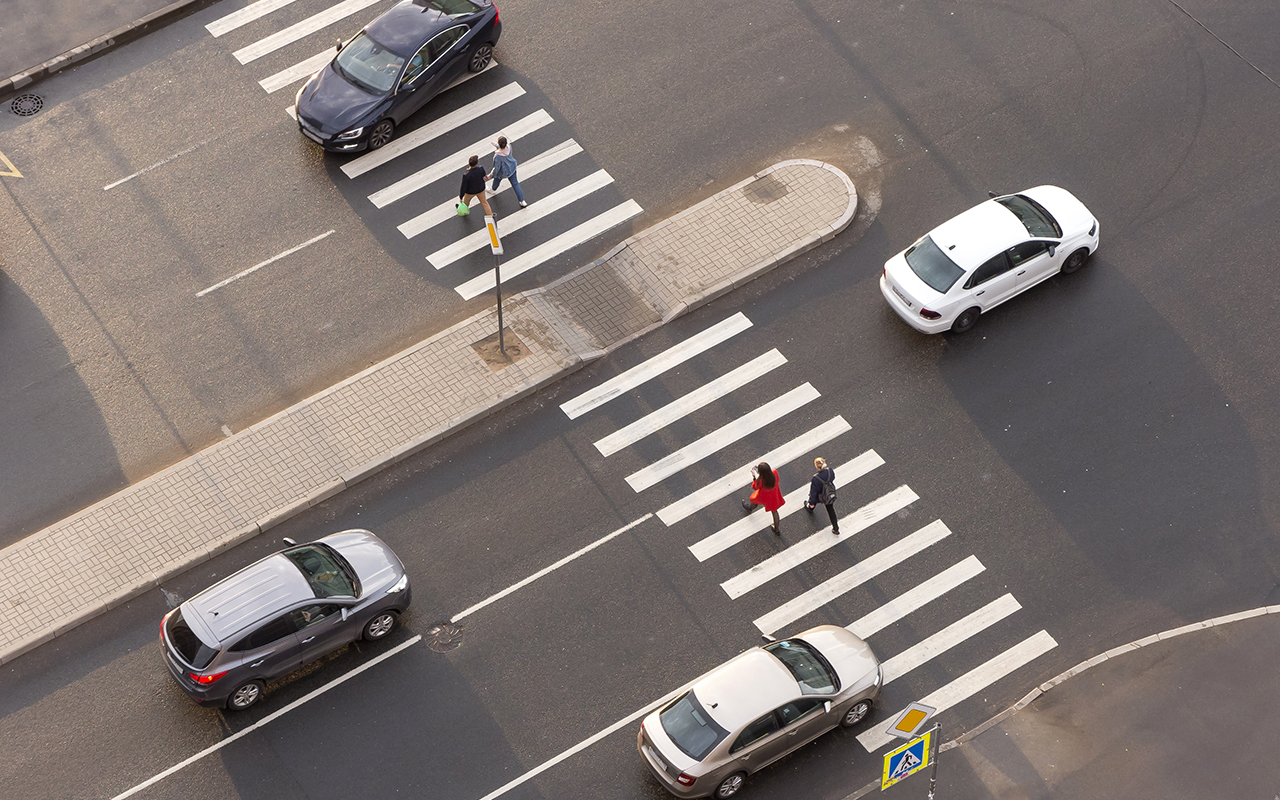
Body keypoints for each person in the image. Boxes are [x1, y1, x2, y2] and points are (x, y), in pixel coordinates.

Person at [741, 461, 785, 535]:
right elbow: (778, 479)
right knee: (774, 511)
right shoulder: (774, 472)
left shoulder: (760, 480)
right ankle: (776, 529)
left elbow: (754, 487)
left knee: (755, 501)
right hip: (774, 494)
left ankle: (750, 508)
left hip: (764, 496)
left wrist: (754, 477)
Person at [803, 457, 840, 535]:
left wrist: (811, 502)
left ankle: (810, 507)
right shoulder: (830, 471)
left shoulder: (815, 479)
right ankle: (836, 528)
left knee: (814, 500)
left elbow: (813, 492)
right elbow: (832, 478)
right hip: (828, 493)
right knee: (831, 510)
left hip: (820, 495)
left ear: (817, 466)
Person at [490, 136, 526, 207]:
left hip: (502, 172)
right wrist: (497, 146)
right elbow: (503, 150)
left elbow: (496, 168)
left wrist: (491, 175)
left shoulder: (498, 157)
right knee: (515, 184)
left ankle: (493, 189)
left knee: (496, 180)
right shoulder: (509, 147)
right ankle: (522, 201)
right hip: (512, 168)